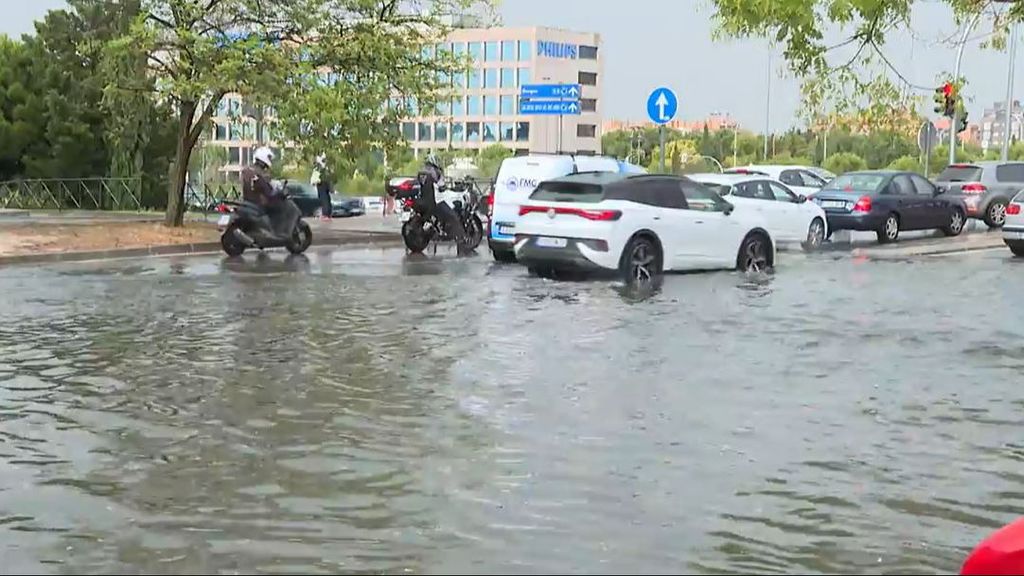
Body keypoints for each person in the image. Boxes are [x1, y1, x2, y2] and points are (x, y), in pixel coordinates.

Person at [241, 146, 299, 242]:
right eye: (268, 158)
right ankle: (280, 233)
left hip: (250, 201)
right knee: (283, 206)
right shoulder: (257, 173)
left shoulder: (249, 170)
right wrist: (280, 193)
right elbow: (268, 192)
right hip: (260, 202)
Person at [416, 154, 468, 252]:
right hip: (437, 201)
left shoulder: (421, 172)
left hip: (425, 201)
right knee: (454, 218)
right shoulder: (434, 171)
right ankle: (461, 245)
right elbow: (441, 185)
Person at [311, 154, 332, 220]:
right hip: (326, 181)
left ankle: (325, 215)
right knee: (327, 198)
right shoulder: (326, 166)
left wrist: (313, 182)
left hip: (320, 182)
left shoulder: (319, 167)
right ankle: (328, 214)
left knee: (324, 198)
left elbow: (316, 175)